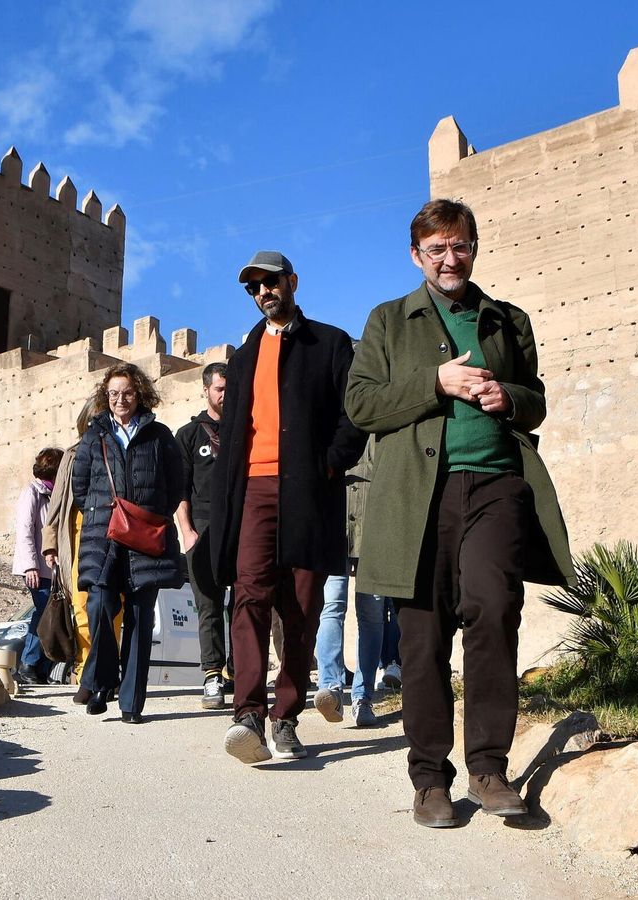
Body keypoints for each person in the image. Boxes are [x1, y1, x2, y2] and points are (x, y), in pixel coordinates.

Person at [347, 199, 575, 828]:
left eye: (461, 246)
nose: (450, 259)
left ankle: (490, 767)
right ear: (417, 255)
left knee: (495, 610)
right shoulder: (388, 321)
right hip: (417, 496)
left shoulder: (507, 320)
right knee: (422, 637)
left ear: (474, 248)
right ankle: (429, 779)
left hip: (497, 484)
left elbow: (536, 402)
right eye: (437, 249)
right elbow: (362, 405)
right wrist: (434, 383)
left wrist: (512, 397)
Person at [209, 250, 365, 763]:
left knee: (300, 606)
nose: (262, 293)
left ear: (292, 281)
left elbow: (354, 415)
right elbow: (234, 431)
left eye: (270, 282)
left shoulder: (330, 343)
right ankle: (248, 713)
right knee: (249, 596)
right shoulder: (244, 355)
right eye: (253, 287)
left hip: (307, 490)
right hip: (252, 489)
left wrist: (328, 463)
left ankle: (286, 717)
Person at [72, 363, 185, 723]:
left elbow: (177, 485)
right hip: (103, 536)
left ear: (140, 394)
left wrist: (149, 513)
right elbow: (80, 487)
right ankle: (102, 679)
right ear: (106, 397)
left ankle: (131, 704)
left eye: (128, 393)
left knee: (139, 616)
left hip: (145, 538)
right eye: (113, 394)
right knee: (100, 606)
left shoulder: (160, 435)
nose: (121, 400)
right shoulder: (95, 436)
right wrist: (101, 511)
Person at [313, 437, 400, 728]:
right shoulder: (335, 420)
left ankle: (362, 697)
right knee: (333, 607)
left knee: (370, 615)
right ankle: (331, 688)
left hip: (376, 534)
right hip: (335, 531)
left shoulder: (384, 425)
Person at [43, 400, 121, 703]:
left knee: (112, 609)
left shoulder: (119, 450)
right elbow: (58, 503)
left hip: (113, 535)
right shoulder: (73, 455)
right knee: (82, 608)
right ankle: (87, 669)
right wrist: (50, 544)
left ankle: (104, 675)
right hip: (79, 538)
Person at [174, 361, 230, 709]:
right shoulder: (189, 435)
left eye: (230, 388)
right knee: (208, 605)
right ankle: (212, 675)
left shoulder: (246, 429)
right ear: (206, 390)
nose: (226, 394)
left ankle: (241, 674)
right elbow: (179, 489)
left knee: (243, 603)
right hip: (202, 528)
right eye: (220, 388)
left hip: (240, 527)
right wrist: (188, 531)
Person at [14, 447, 64, 684]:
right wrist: (30, 566)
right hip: (37, 569)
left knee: (53, 615)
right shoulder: (32, 492)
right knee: (45, 613)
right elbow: (24, 531)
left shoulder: (57, 495)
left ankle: (42, 668)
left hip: (54, 570)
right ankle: (29, 664)